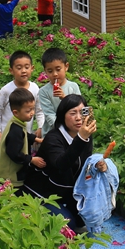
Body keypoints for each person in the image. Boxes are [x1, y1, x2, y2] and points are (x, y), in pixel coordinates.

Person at [24, 94, 107, 229]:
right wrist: (81, 139)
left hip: (66, 191)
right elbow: (61, 164)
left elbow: (84, 163)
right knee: (67, 225)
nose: (78, 118)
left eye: (82, 112)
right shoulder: (53, 138)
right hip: (43, 192)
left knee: (87, 218)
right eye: (73, 113)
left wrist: (97, 165)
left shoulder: (86, 136)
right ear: (62, 116)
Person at [0, 88, 46, 192]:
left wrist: (36, 139)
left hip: (4, 173)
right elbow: (14, 154)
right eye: (28, 111)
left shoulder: (16, 122)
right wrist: (31, 159)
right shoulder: (15, 131)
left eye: (33, 109)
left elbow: (24, 134)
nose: (32, 113)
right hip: (8, 177)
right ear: (16, 112)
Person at [0, 51, 45, 145]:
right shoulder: (6, 91)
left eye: (27, 67)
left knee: (24, 153)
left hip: (26, 134)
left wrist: (40, 127)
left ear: (32, 68)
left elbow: (39, 110)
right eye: (19, 68)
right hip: (8, 135)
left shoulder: (35, 88)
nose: (23, 71)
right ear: (11, 70)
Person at [38, 48, 82, 134]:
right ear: (45, 71)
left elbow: (79, 108)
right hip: (53, 133)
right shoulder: (43, 91)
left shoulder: (73, 87)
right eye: (50, 71)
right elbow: (50, 116)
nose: (55, 74)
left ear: (66, 67)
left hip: (73, 131)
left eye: (58, 69)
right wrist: (65, 130)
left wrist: (65, 98)